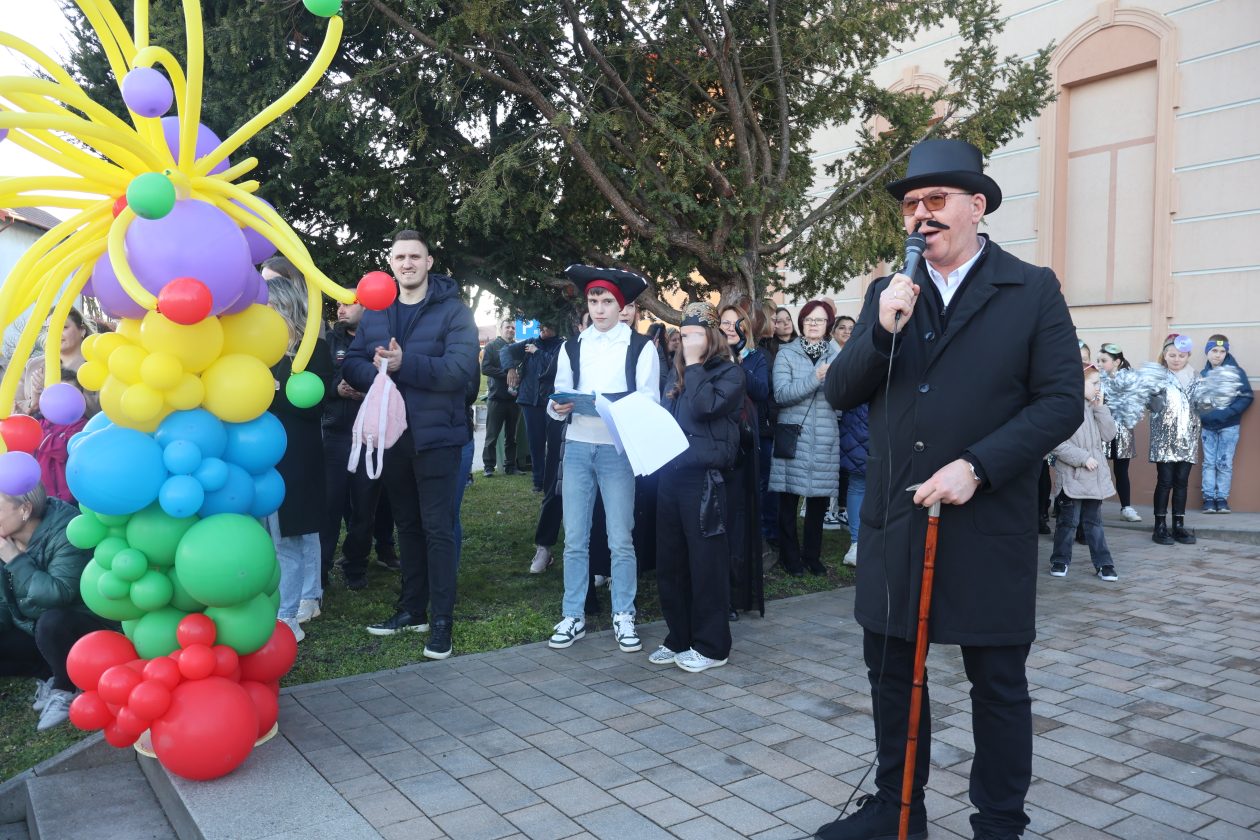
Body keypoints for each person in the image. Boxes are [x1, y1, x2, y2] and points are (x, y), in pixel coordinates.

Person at [821, 138, 1081, 840]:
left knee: (997, 686)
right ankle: (896, 810)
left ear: (976, 205)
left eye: (936, 201)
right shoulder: (887, 294)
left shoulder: (1031, 289)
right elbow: (842, 393)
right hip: (895, 522)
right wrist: (879, 331)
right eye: (911, 204)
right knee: (893, 677)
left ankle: (999, 823)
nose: (921, 216)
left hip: (984, 522)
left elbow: (1061, 403)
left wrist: (978, 464)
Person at [343, 230, 479, 660]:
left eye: (414, 257)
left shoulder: (454, 311)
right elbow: (353, 362)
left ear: (429, 262)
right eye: (399, 256)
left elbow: (459, 371)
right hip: (393, 436)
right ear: (391, 262)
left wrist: (405, 364)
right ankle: (412, 609)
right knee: (408, 526)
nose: (407, 263)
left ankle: (441, 623)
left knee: (438, 530)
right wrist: (380, 375)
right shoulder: (377, 312)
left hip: (439, 437)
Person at [546, 265, 659, 654]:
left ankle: (623, 612)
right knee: (575, 538)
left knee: (620, 538)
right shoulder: (572, 346)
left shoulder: (641, 347)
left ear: (621, 305)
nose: (599, 308)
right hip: (577, 445)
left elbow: (650, 402)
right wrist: (560, 407)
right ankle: (573, 614)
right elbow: (559, 397)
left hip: (617, 451)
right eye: (593, 300)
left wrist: (613, 407)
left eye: (607, 301)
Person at [651, 302, 746, 672]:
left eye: (693, 334)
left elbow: (706, 407)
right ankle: (679, 637)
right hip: (671, 478)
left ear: (712, 337)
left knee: (706, 563)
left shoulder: (730, 374)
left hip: (704, 479)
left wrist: (692, 366)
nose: (685, 341)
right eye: (683, 335)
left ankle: (712, 645)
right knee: (671, 563)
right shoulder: (677, 376)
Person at [0, 482, 113, 731]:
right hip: (36, 626)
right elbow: (4, 601)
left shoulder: (65, 530)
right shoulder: (7, 538)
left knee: (52, 622)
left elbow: (58, 594)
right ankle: (49, 674)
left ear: (25, 510)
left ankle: (65, 687)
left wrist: (15, 559)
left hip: (87, 625)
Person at [261, 258, 333, 643]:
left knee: (294, 533)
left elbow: (309, 406)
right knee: (274, 533)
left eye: (269, 310)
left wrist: (272, 393)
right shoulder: (259, 354)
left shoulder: (313, 351)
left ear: (287, 308)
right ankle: (293, 600)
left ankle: (294, 608)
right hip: (263, 456)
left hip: (297, 454)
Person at [321, 298, 396, 592]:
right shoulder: (329, 340)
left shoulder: (381, 341)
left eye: (349, 304)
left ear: (367, 309)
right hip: (337, 435)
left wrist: (372, 393)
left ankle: (355, 566)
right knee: (328, 509)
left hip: (371, 437)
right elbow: (314, 381)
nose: (341, 309)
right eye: (339, 304)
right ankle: (321, 572)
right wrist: (336, 389)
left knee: (364, 509)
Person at [770, 299, 839, 577]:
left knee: (818, 500)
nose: (813, 324)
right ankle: (790, 557)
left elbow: (844, 398)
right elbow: (781, 394)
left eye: (820, 320)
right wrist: (815, 377)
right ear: (802, 323)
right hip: (793, 436)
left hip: (824, 436)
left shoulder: (837, 356)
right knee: (788, 500)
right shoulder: (786, 354)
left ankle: (812, 556)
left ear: (827, 325)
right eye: (809, 319)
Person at [502, 321, 566, 572]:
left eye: (550, 325)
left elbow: (554, 365)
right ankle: (538, 482)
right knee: (536, 445)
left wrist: (538, 354)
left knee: (554, 452)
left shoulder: (561, 346)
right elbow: (505, 351)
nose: (544, 330)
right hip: (530, 399)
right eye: (542, 326)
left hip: (552, 401)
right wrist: (510, 368)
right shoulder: (529, 343)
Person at [718, 304, 766, 620]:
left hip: (744, 453)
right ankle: (718, 593)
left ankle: (736, 595)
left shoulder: (756, 358)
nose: (730, 328)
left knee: (738, 523)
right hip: (717, 450)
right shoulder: (708, 358)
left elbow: (763, 391)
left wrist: (739, 363)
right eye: (724, 323)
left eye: (736, 324)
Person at [1049, 365, 1119, 581]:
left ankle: (1104, 563)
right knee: (1068, 522)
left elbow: (1109, 434)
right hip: (1073, 477)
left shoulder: (1093, 407)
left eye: (1100, 383)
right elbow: (1056, 442)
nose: (1099, 388)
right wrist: (1082, 458)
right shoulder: (1065, 409)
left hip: (1094, 478)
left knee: (1094, 523)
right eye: (1094, 383)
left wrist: (1100, 408)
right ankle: (1060, 559)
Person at [1146, 335, 1206, 545]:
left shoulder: (1196, 377)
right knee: (1164, 482)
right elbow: (1152, 407)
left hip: (1187, 439)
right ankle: (1159, 526)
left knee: (1182, 482)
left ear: (1188, 356)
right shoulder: (1157, 377)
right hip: (1164, 439)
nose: (1177, 359)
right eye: (1172, 355)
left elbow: (1203, 407)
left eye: (1181, 356)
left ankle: (1178, 525)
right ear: (1164, 355)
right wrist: (1152, 394)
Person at [1199, 334, 1252, 514]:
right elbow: (1198, 401)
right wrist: (1206, 416)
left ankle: (1221, 498)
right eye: (1214, 350)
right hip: (1208, 426)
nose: (1218, 355)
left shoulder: (1237, 372)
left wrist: (1227, 413)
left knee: (1224, 463)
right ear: (1207, 352)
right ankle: (1208, 499)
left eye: (1222, 351)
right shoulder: (1202, 375)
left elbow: (1246, 397)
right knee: (1209, 462)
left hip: (1229, 426)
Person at [16, 307, 98, 417]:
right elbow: (14, 408)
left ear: (82, 330)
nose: (55, 333)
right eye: (50, 329)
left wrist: (54, 395)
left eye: (63, 327)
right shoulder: (32, 365)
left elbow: (100, 411)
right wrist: (34, 403)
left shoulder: (97, 365)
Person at [1095, 343, 1142, 522]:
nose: (1099, 364)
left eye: (1103, 361)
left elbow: (1136, 405)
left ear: (1117, 362)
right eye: (1098, 360)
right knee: (1098, 468)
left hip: (1123, 430)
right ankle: (1094, 506)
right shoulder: (1097, 379)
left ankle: (1126, 508)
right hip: (1101, 428)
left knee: (1122, 470)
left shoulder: (1130, 379)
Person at [826, 315, 857, 531]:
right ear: (834, 330)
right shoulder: (829, 353)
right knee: (829, 465)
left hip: (847, 415)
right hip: (830, 413)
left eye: (851, 329)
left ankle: (840, 509)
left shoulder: (854, 352)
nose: (847, 332)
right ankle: (828, 510)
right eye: (842, 328)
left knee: (843, 467)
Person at [481, 318, 521, 477]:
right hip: (496, 398)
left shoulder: (517, 347)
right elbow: (485, 368)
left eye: (513, 328)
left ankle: (511, 466)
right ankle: (488, 467)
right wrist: (506, 374)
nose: (511, 330)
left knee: (512, 436)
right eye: (508, 327)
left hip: (514, 400)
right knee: (492, 435)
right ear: (501, 328)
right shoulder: (492, 346)